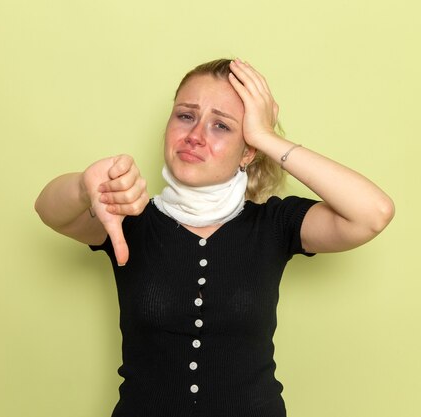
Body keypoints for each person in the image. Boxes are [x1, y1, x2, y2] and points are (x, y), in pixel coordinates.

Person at [35, 58, 395, 417]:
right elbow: (48, 209)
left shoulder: (274, 224)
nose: (195, 136)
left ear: (248, 151)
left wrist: (267, 138)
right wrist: (85, 187)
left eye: (221, 126)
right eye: (186, 116)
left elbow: (372, 213)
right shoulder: (128, 219)